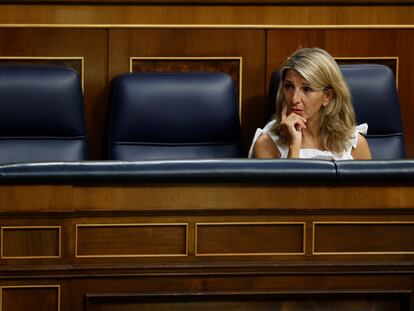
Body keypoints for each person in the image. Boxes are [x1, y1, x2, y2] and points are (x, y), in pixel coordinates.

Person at [249, 47, 372, 160]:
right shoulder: (266, 144)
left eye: (307, 89)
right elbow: (293, 185)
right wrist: (294, 147)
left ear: (327, 97)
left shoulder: (355, 144)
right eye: (289, 86)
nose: (294, 99)